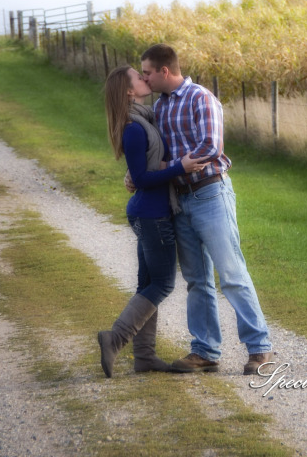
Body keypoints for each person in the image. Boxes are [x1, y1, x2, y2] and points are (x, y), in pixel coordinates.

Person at [138, 44, 274, 375]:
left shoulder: (200, 97)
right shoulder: (160, 106)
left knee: (231, 273)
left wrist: (168, 166)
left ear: (164, 71)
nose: (144, 79)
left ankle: (259, 348)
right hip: (179, 199)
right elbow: (156, 151)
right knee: (197, 279)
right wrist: (144, 170)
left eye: (147, 72)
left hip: (210, 194)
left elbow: (211, 146)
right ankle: (205, 351)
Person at [98, 64, 209, 378]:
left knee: (147, 284)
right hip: (152, 214)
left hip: (149, 211)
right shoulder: (134, 127)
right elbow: (143, 178)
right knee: (162, 283)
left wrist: (161, 167)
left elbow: (141, 169)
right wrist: (180, 168)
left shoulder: (146, 119)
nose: (145, 78)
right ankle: (115, 339)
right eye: (138, 76)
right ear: (129, 91)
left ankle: (145, 357)